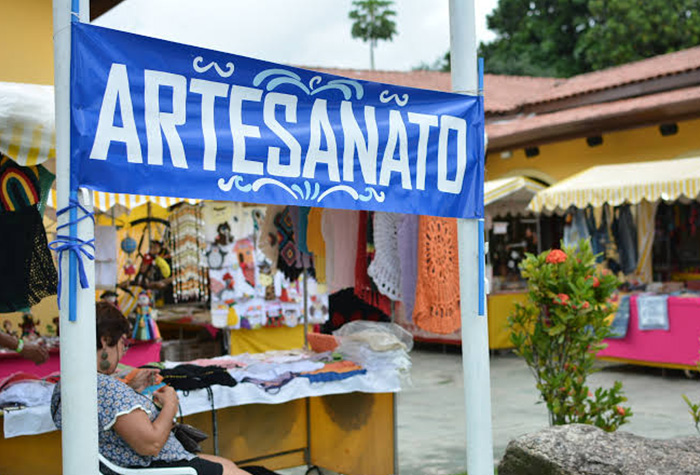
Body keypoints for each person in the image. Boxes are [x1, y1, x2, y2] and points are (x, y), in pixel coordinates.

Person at [50, 302, 250, 475]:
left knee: (227, 465)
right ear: (104, 341)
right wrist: (170, 404)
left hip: (142, 463)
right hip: (152, 467)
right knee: (233, 471)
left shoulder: (75, 381)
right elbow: (151, 444)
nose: (122, 352)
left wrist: (130, 388)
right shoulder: (104, 387)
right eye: (122, 343)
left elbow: (107, 413)